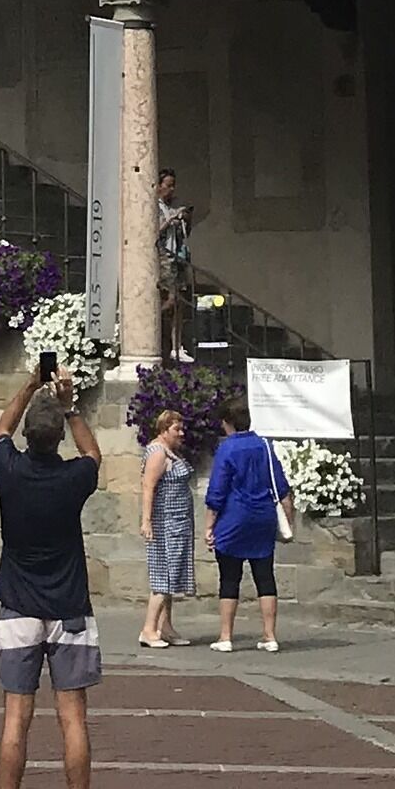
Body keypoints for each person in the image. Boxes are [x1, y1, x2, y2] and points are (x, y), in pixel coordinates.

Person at [0, 356, 102, 789]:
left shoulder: (9, 469)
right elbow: (94, 453)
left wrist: (31, 382)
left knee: (16, 719)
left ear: (28, 438)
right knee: (72, 719)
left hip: (18, 605)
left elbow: (1, 428)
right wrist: (70, 405)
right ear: (57, 438)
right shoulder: (73, 478)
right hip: (70, 606)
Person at [204, 395, 294, 653]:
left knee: (229, 578)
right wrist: (289, 522)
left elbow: (217, 492)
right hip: (263, 517)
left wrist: (209, 526)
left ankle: (225, 636)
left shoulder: (227, 449)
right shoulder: (265, 445)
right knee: (265, 576)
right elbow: (283, 488)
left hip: (234, 519)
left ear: (227, 422)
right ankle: (269, 635)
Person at [137, 402, 193, 647]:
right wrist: (146, 520)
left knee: (171, 578)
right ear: (164, 429)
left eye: (181, 429)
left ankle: (165, 627)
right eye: (176, 429)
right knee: (163, 577)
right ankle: (148, 630)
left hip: (177, 522)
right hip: (165, 523)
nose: (181, 433)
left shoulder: (170, 451)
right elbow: (148, 486)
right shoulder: (158, 452)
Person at [155, 171, 195, 356]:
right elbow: (152, 232)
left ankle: (176, 346)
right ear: (158, 186)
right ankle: (150, 326)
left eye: (173, 186)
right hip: (163, 258)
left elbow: (183, 234)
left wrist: (184, 219)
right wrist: (171, 219)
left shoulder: (171, 206)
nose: (171, 190)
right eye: (168, 185)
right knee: (170, 300)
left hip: (176, 257)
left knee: (179, 302)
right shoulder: (154, 207)